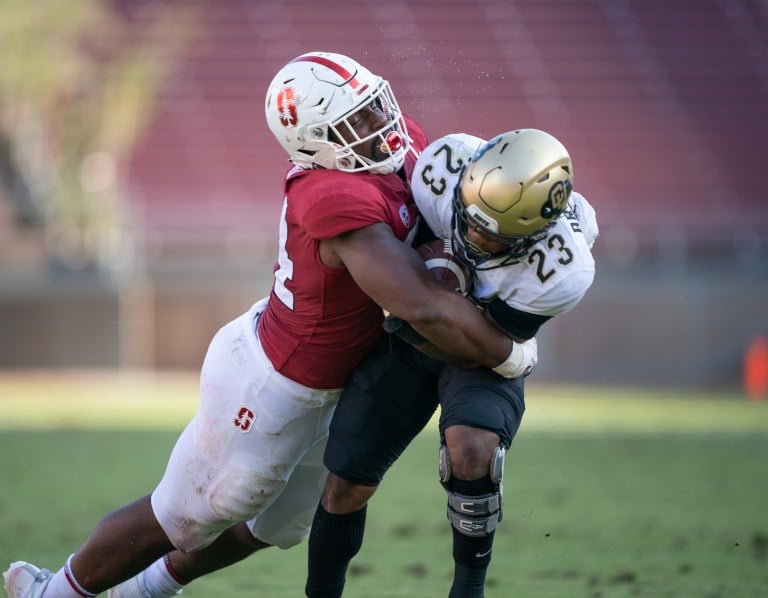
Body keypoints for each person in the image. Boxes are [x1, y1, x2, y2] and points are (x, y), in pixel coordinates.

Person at [3, 52, 535, 598]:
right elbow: (418, 304)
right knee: (186, 515)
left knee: (276, 527)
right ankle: (55, 594)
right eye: (358, 124)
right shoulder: (332, 193)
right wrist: (508, 352)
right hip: (272, 381)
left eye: (377, 108)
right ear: (313, 143)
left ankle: (140, 591)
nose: (383, 128)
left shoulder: (394, 150)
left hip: (335, 378)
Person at [304, 128, 599, 597]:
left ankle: (468, 590)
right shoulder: (442, 165)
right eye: (470, 220)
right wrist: (415, 304)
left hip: (483, 347)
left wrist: (422, 313)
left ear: (538, 233)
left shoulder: (563, 268)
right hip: (418, 327)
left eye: (493, 236)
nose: (473, 235)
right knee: (345, 482)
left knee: (473, 450)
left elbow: (485, 342)